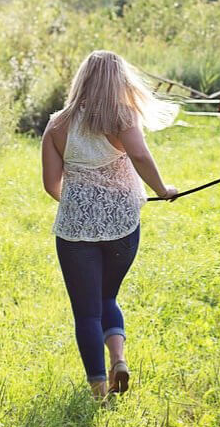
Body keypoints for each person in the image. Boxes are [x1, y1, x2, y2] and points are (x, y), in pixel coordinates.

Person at [41, 50, 178, 399]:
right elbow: (141, 156)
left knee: (86, 311)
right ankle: (118, 359)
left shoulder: (57, 125)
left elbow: (51, 185)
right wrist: (163, 190)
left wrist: (81, 205)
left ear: (82, 80)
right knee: (108, 295)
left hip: (75, 232)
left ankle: (99, 389)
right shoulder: (122, 117)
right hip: (123, 226)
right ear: (119, 81)